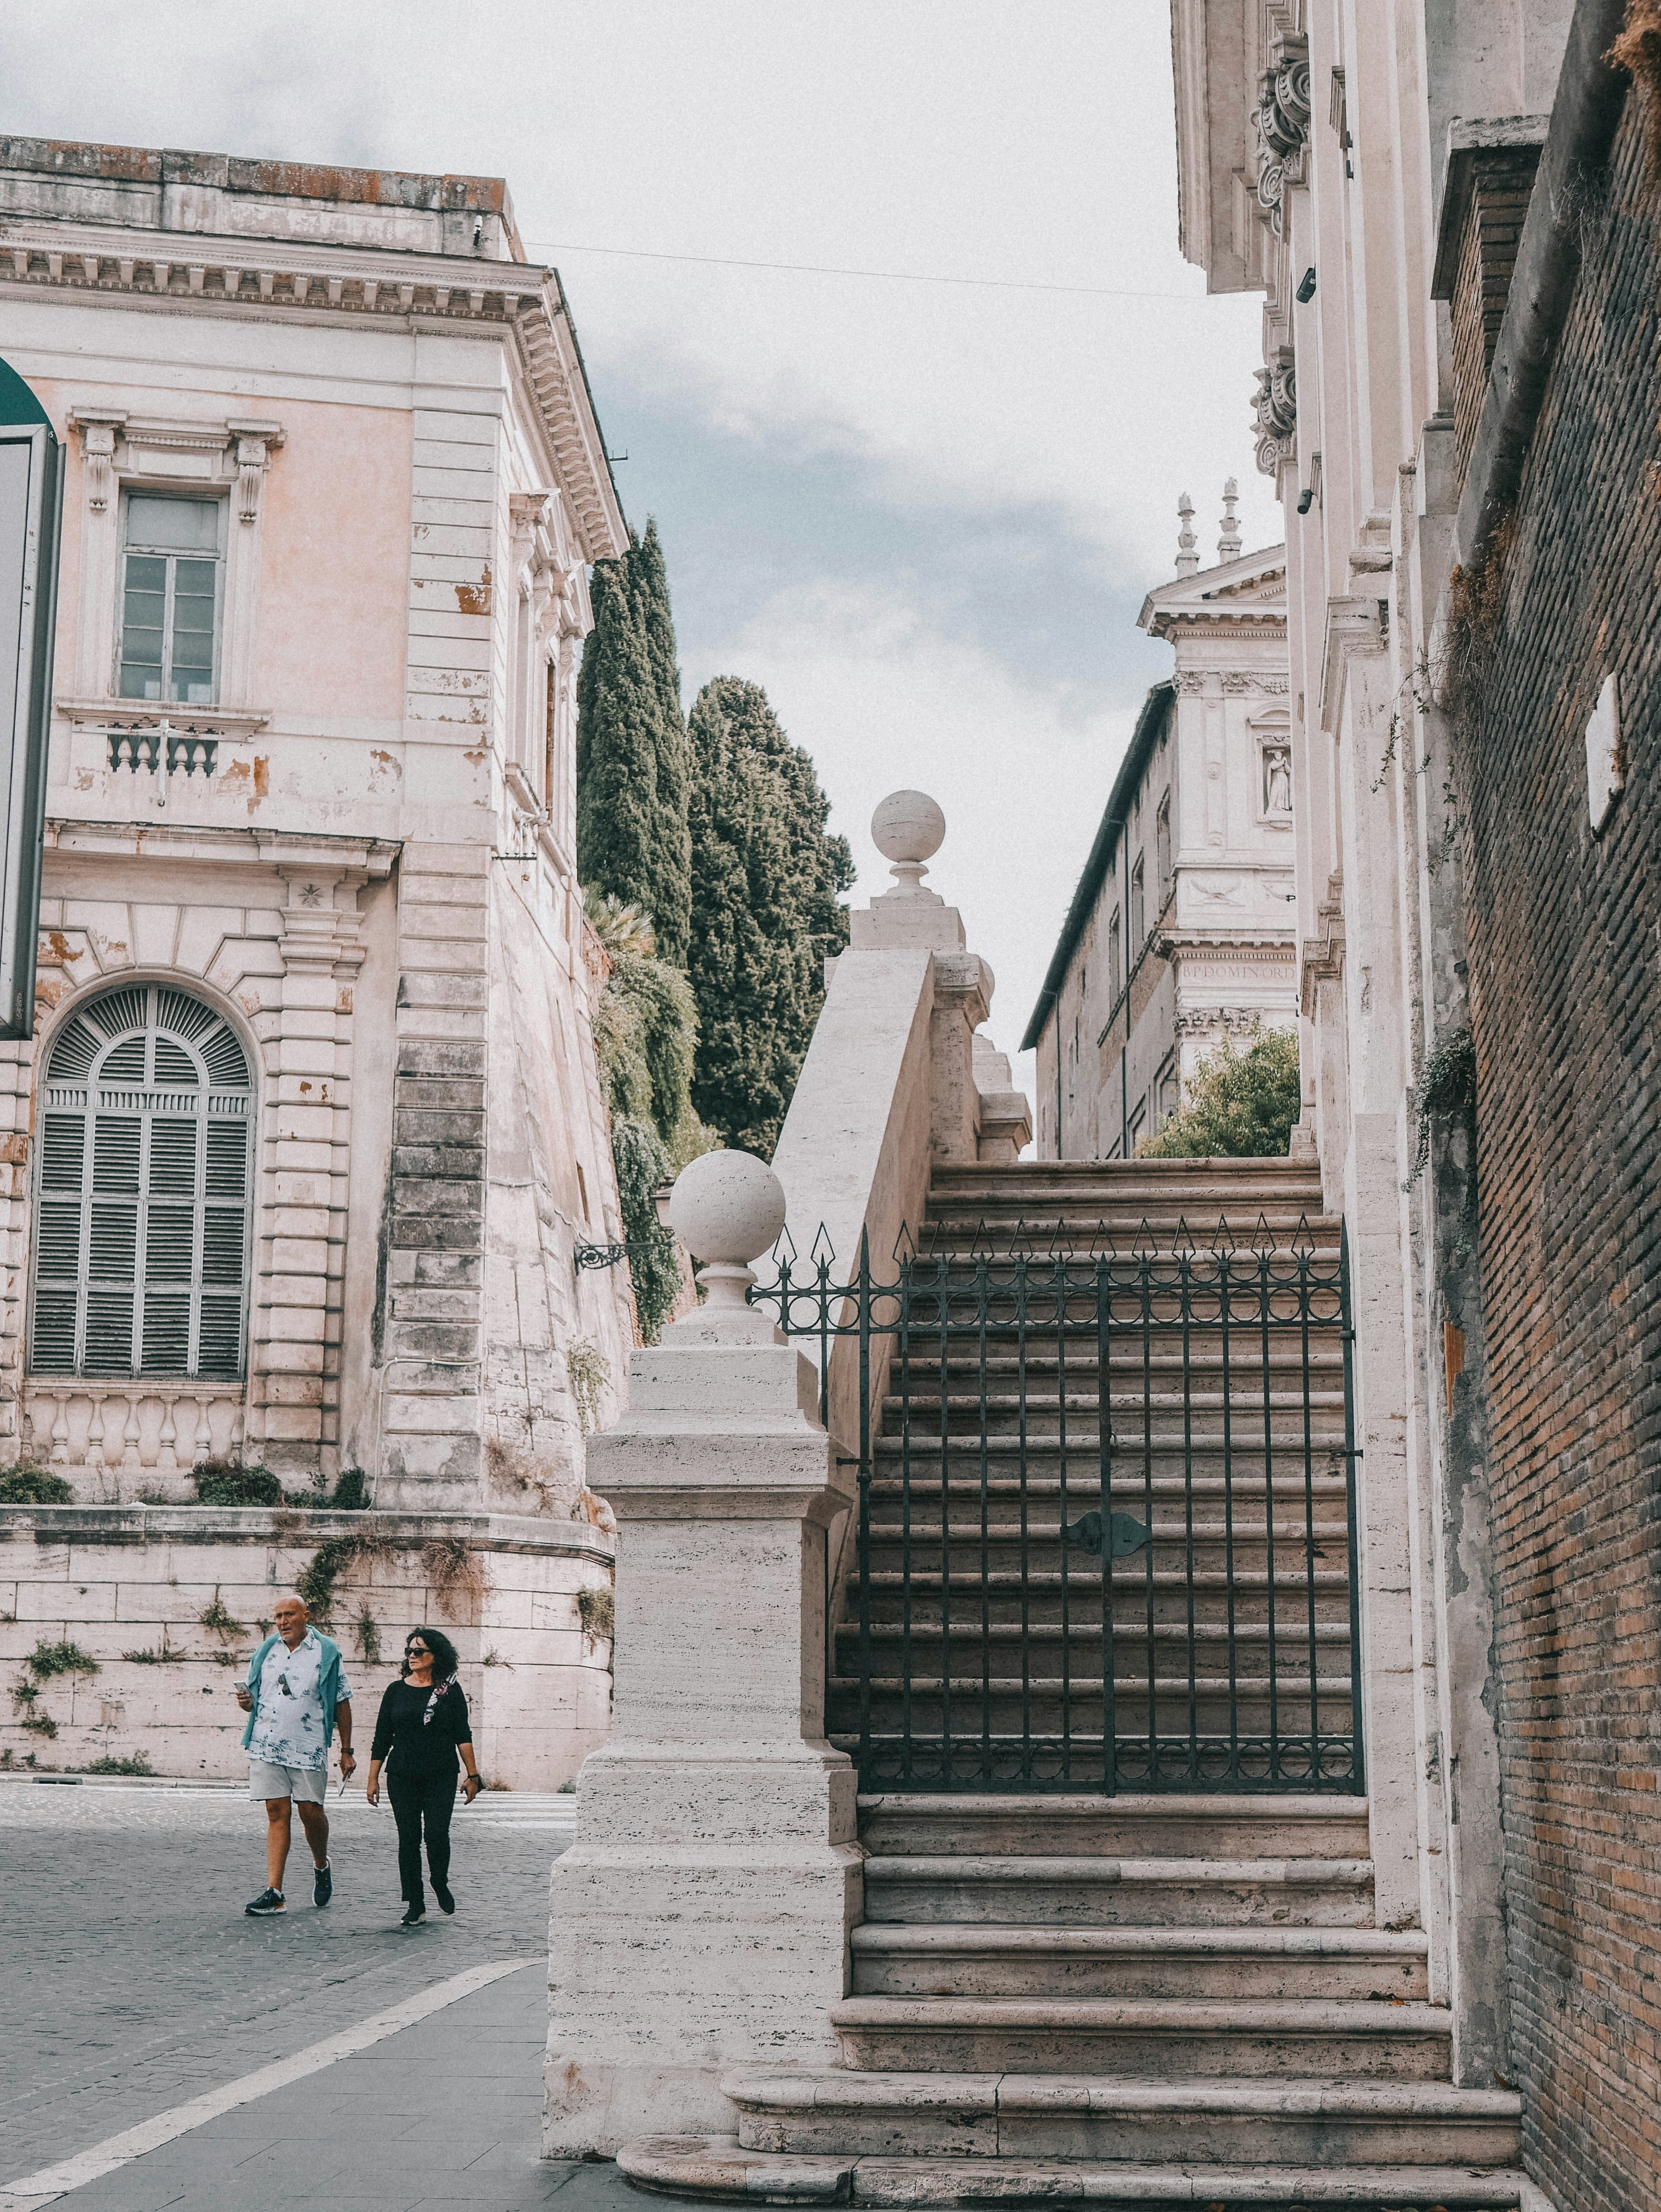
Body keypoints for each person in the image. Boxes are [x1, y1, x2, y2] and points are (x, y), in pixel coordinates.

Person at [236, 1592, 355, 1916]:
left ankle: (320, 1864)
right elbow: (255, 1694)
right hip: (266, 1743)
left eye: (289, 1614)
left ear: (307, 1615)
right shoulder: (267, 1651)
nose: (283, 1622)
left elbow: (342, 1702)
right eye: (278, 1616)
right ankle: (275, 1892)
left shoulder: (326, 1652)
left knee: (310, 1814)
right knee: (276, 1813)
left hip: (308, 1746)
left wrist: (346, 1750)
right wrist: (246, 1702)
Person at [366, 1627, 482, 1926]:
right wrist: (372, 1778)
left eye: (420, 1651)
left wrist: (473, 1775)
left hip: (441, 1775)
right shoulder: (395, 1691)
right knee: (409, 1840)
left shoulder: (449, 1691)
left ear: (436, 1656)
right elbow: (382, 1738)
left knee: (436, 1834)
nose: (413, 1657)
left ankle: (439, 1881)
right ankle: (415, 1904)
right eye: (410, 1651)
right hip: (402, 1775)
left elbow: (462, 1734)